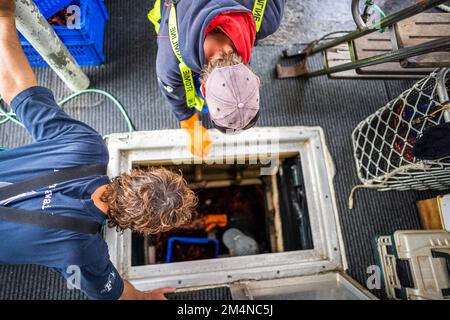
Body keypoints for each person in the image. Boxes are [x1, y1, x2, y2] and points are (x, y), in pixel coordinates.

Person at [0, 0, 197, 300]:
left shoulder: (87, 146)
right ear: (138, 228)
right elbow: (116, 296)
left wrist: (4, 15)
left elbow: (16, 86)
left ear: (138, 175)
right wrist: (145, 298)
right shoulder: (83, 251)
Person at [149, 0, 286, 157]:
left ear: (256, 79)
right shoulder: (169, 60)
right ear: (203, 89)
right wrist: (189, 123)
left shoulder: (268, 16)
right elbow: (172, 93)